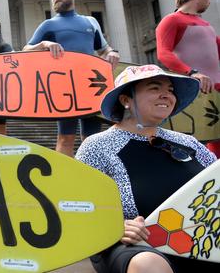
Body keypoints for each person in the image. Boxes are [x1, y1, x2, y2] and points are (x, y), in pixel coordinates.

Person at [76, 64, 217, 273]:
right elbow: (77, 204)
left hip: (199, 239)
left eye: (170, 90)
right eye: (154, 88)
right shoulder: (97, 145)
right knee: (148, 265)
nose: (166, 95)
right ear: (126, 100)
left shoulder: (188, 142)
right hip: (132, 243)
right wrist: (117, 226)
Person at [23, 0, 120, 157]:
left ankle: (91, 180)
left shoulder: (90, 22)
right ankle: (62, 181)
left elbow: (103, 48)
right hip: (63, 91)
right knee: (65, 138)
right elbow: (25, 50)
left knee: (92, 139)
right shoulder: (48, 25)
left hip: (91, 89)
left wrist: (112, 52)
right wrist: (44, 44)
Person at [156, 0, 220, 157]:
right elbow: (164, 54)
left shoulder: (206, 24)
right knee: (195, 142)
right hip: (192, 91)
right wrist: (193, 73)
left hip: (216, 91)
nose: (209, 0)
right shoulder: (172, 20)